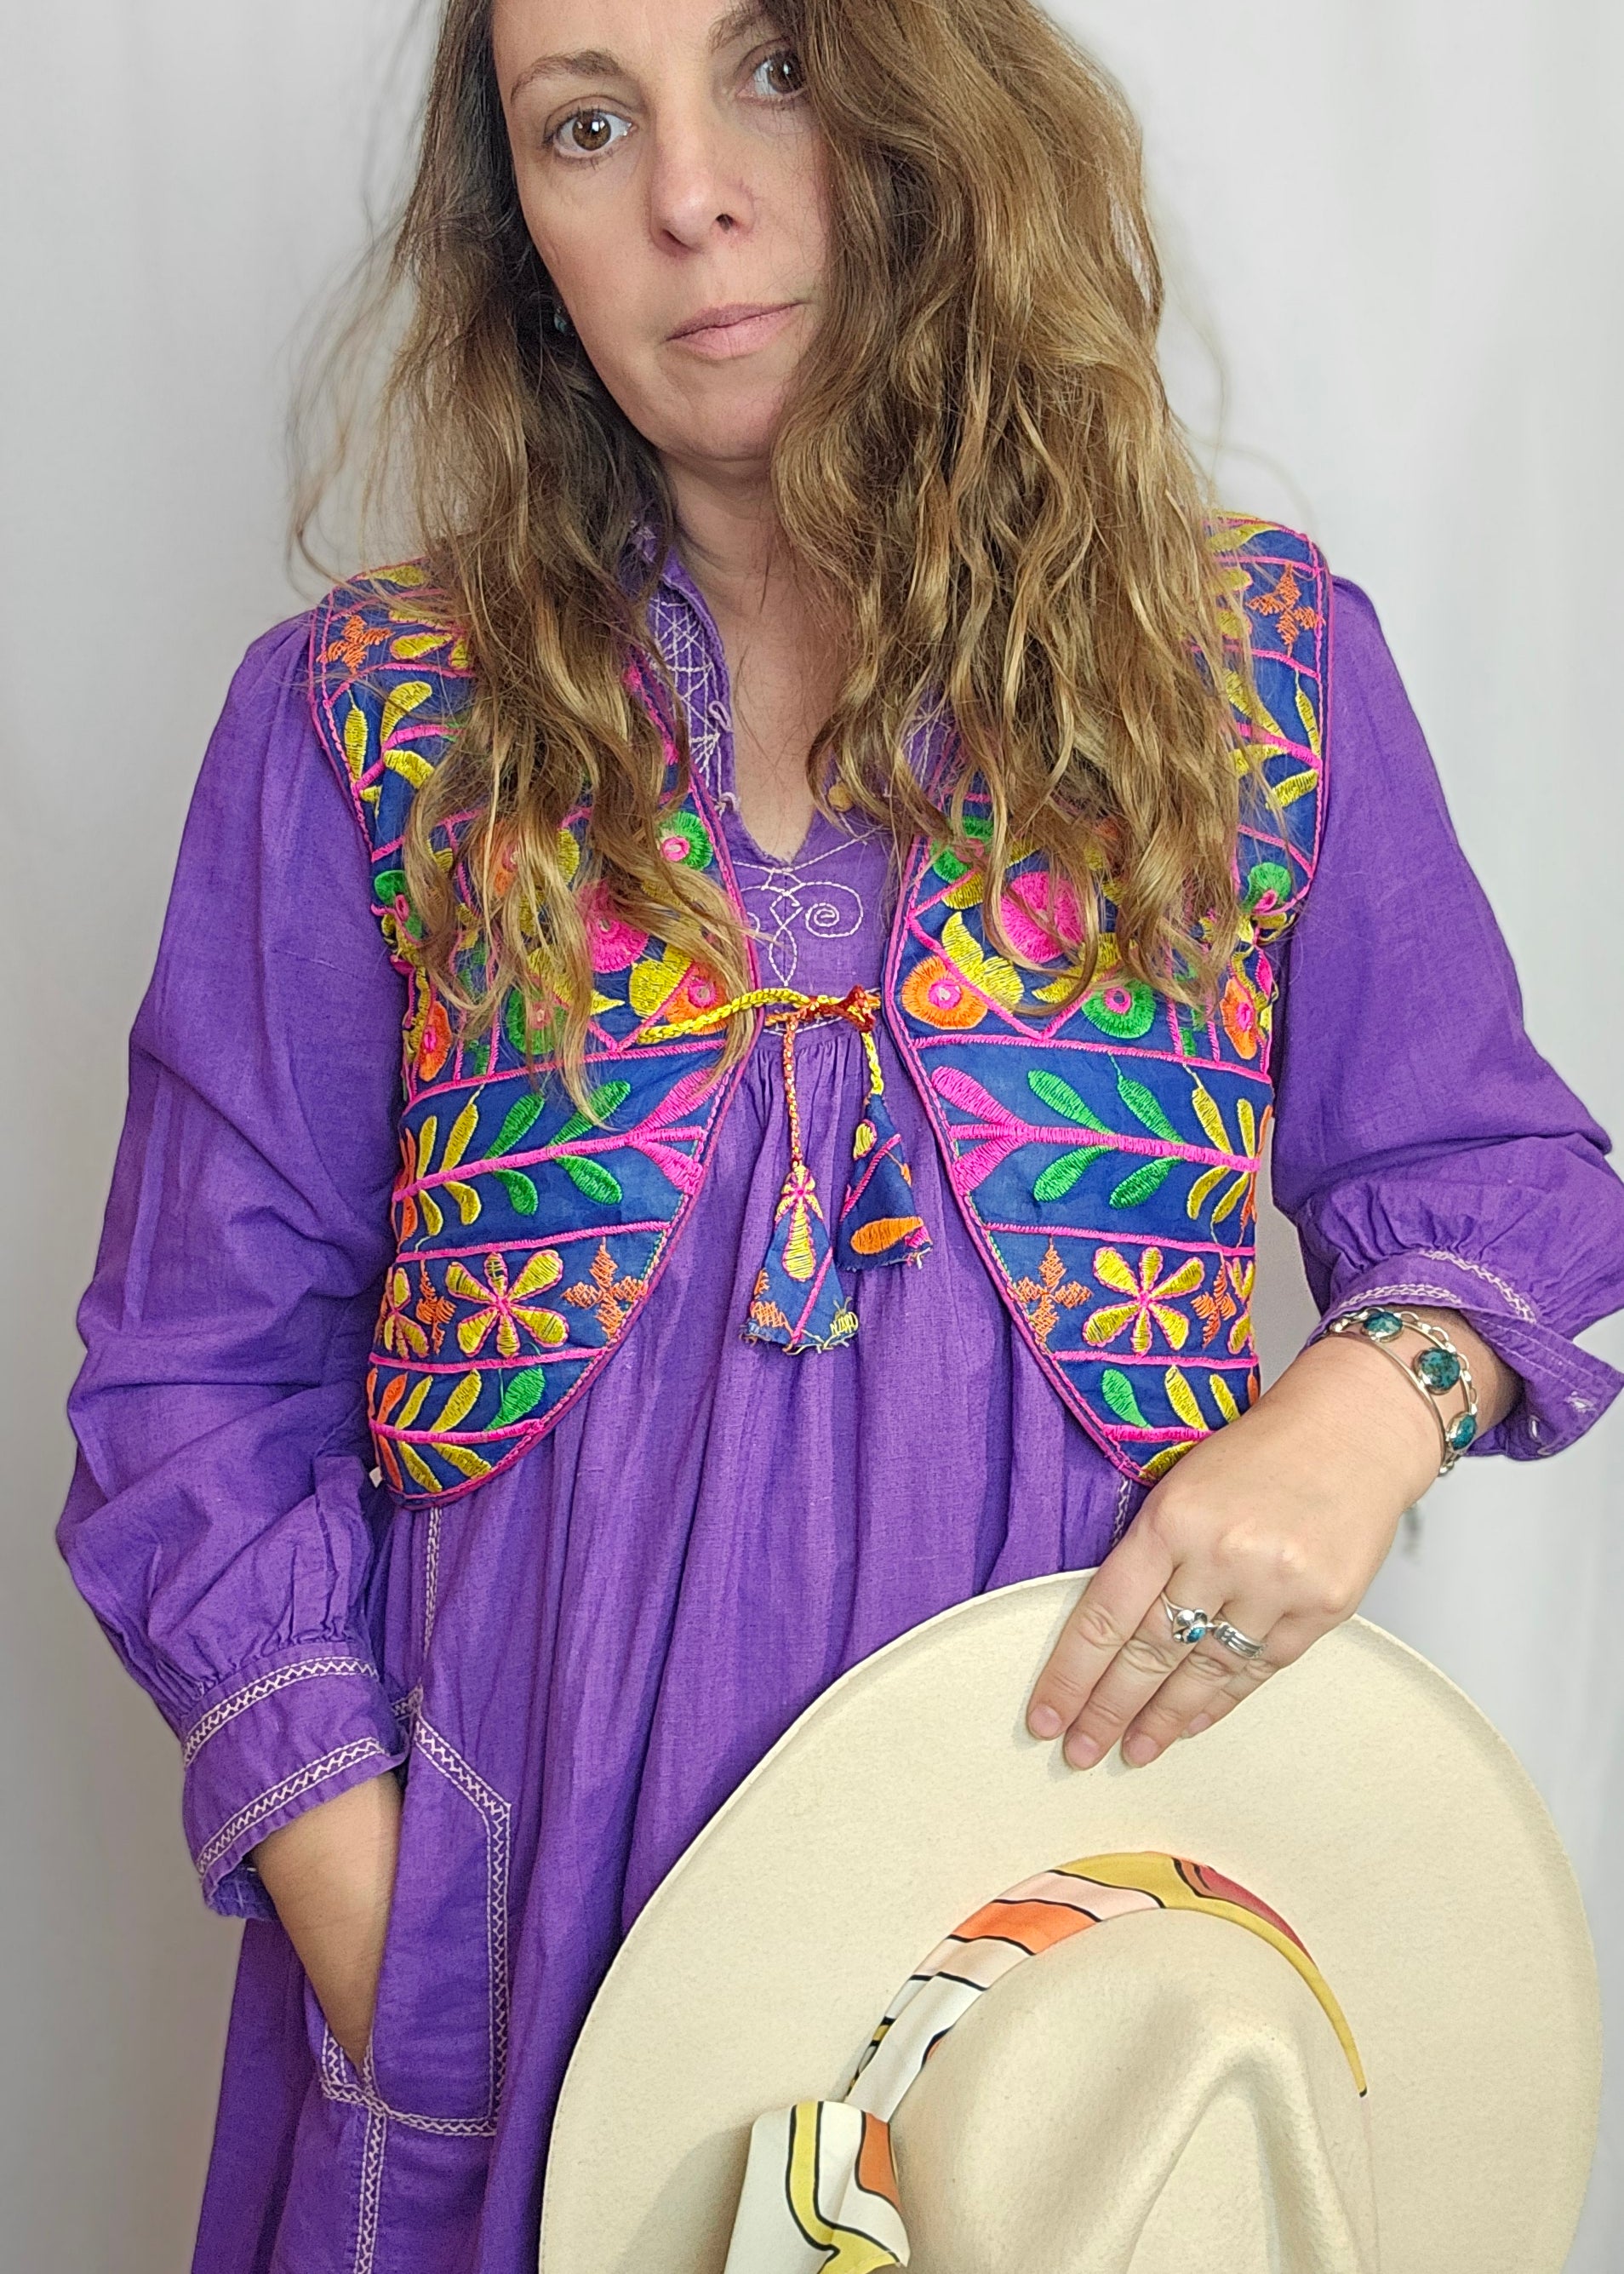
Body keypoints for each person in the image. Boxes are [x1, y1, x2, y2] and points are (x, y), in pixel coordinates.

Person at [56, 2, 1624, 2270]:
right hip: (507, 1960)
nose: (690, 195)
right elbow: (190, 1378)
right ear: (522, 238)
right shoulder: (370, 720)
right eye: (583, 127)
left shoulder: (1245, 672)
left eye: (771, 69)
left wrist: (1370, 1411)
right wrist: (391, 1937)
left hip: (1065, 1954)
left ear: (930, 111)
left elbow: (1501, 1190)